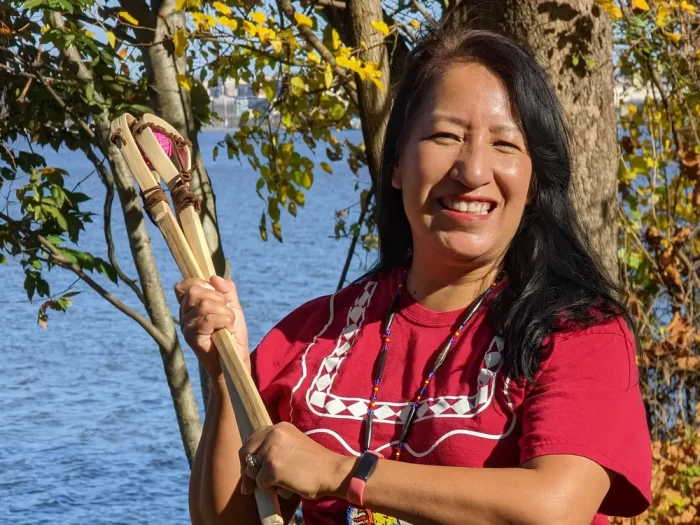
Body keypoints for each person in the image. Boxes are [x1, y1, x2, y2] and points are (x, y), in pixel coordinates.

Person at [176, 22, 652, 525]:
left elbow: (553, 509)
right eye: (445, 136)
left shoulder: (581, 334)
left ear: (534, 182)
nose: (472, 170)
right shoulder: (309, 341)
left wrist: (342, 473)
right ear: (398, 163)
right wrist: (225, 374)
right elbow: (227, 520)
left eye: (505, 145)